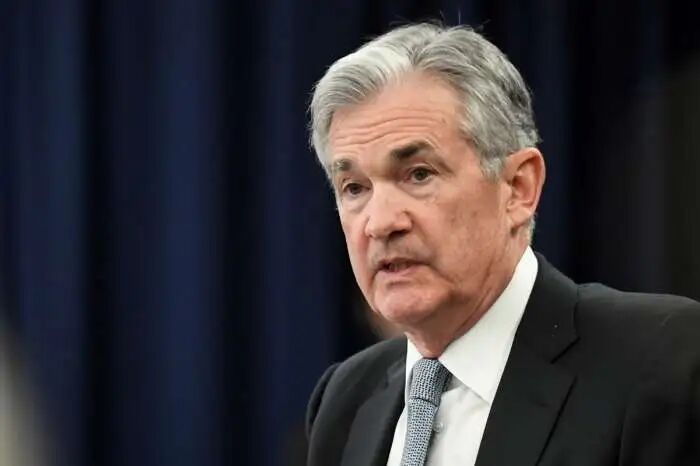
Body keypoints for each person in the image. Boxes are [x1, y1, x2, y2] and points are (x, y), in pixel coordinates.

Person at [304, 23, 700, 466]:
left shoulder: (663, 362)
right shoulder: (345, 400)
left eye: (419, 174)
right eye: (354, 188)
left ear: (518, 188)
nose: (379, 224)